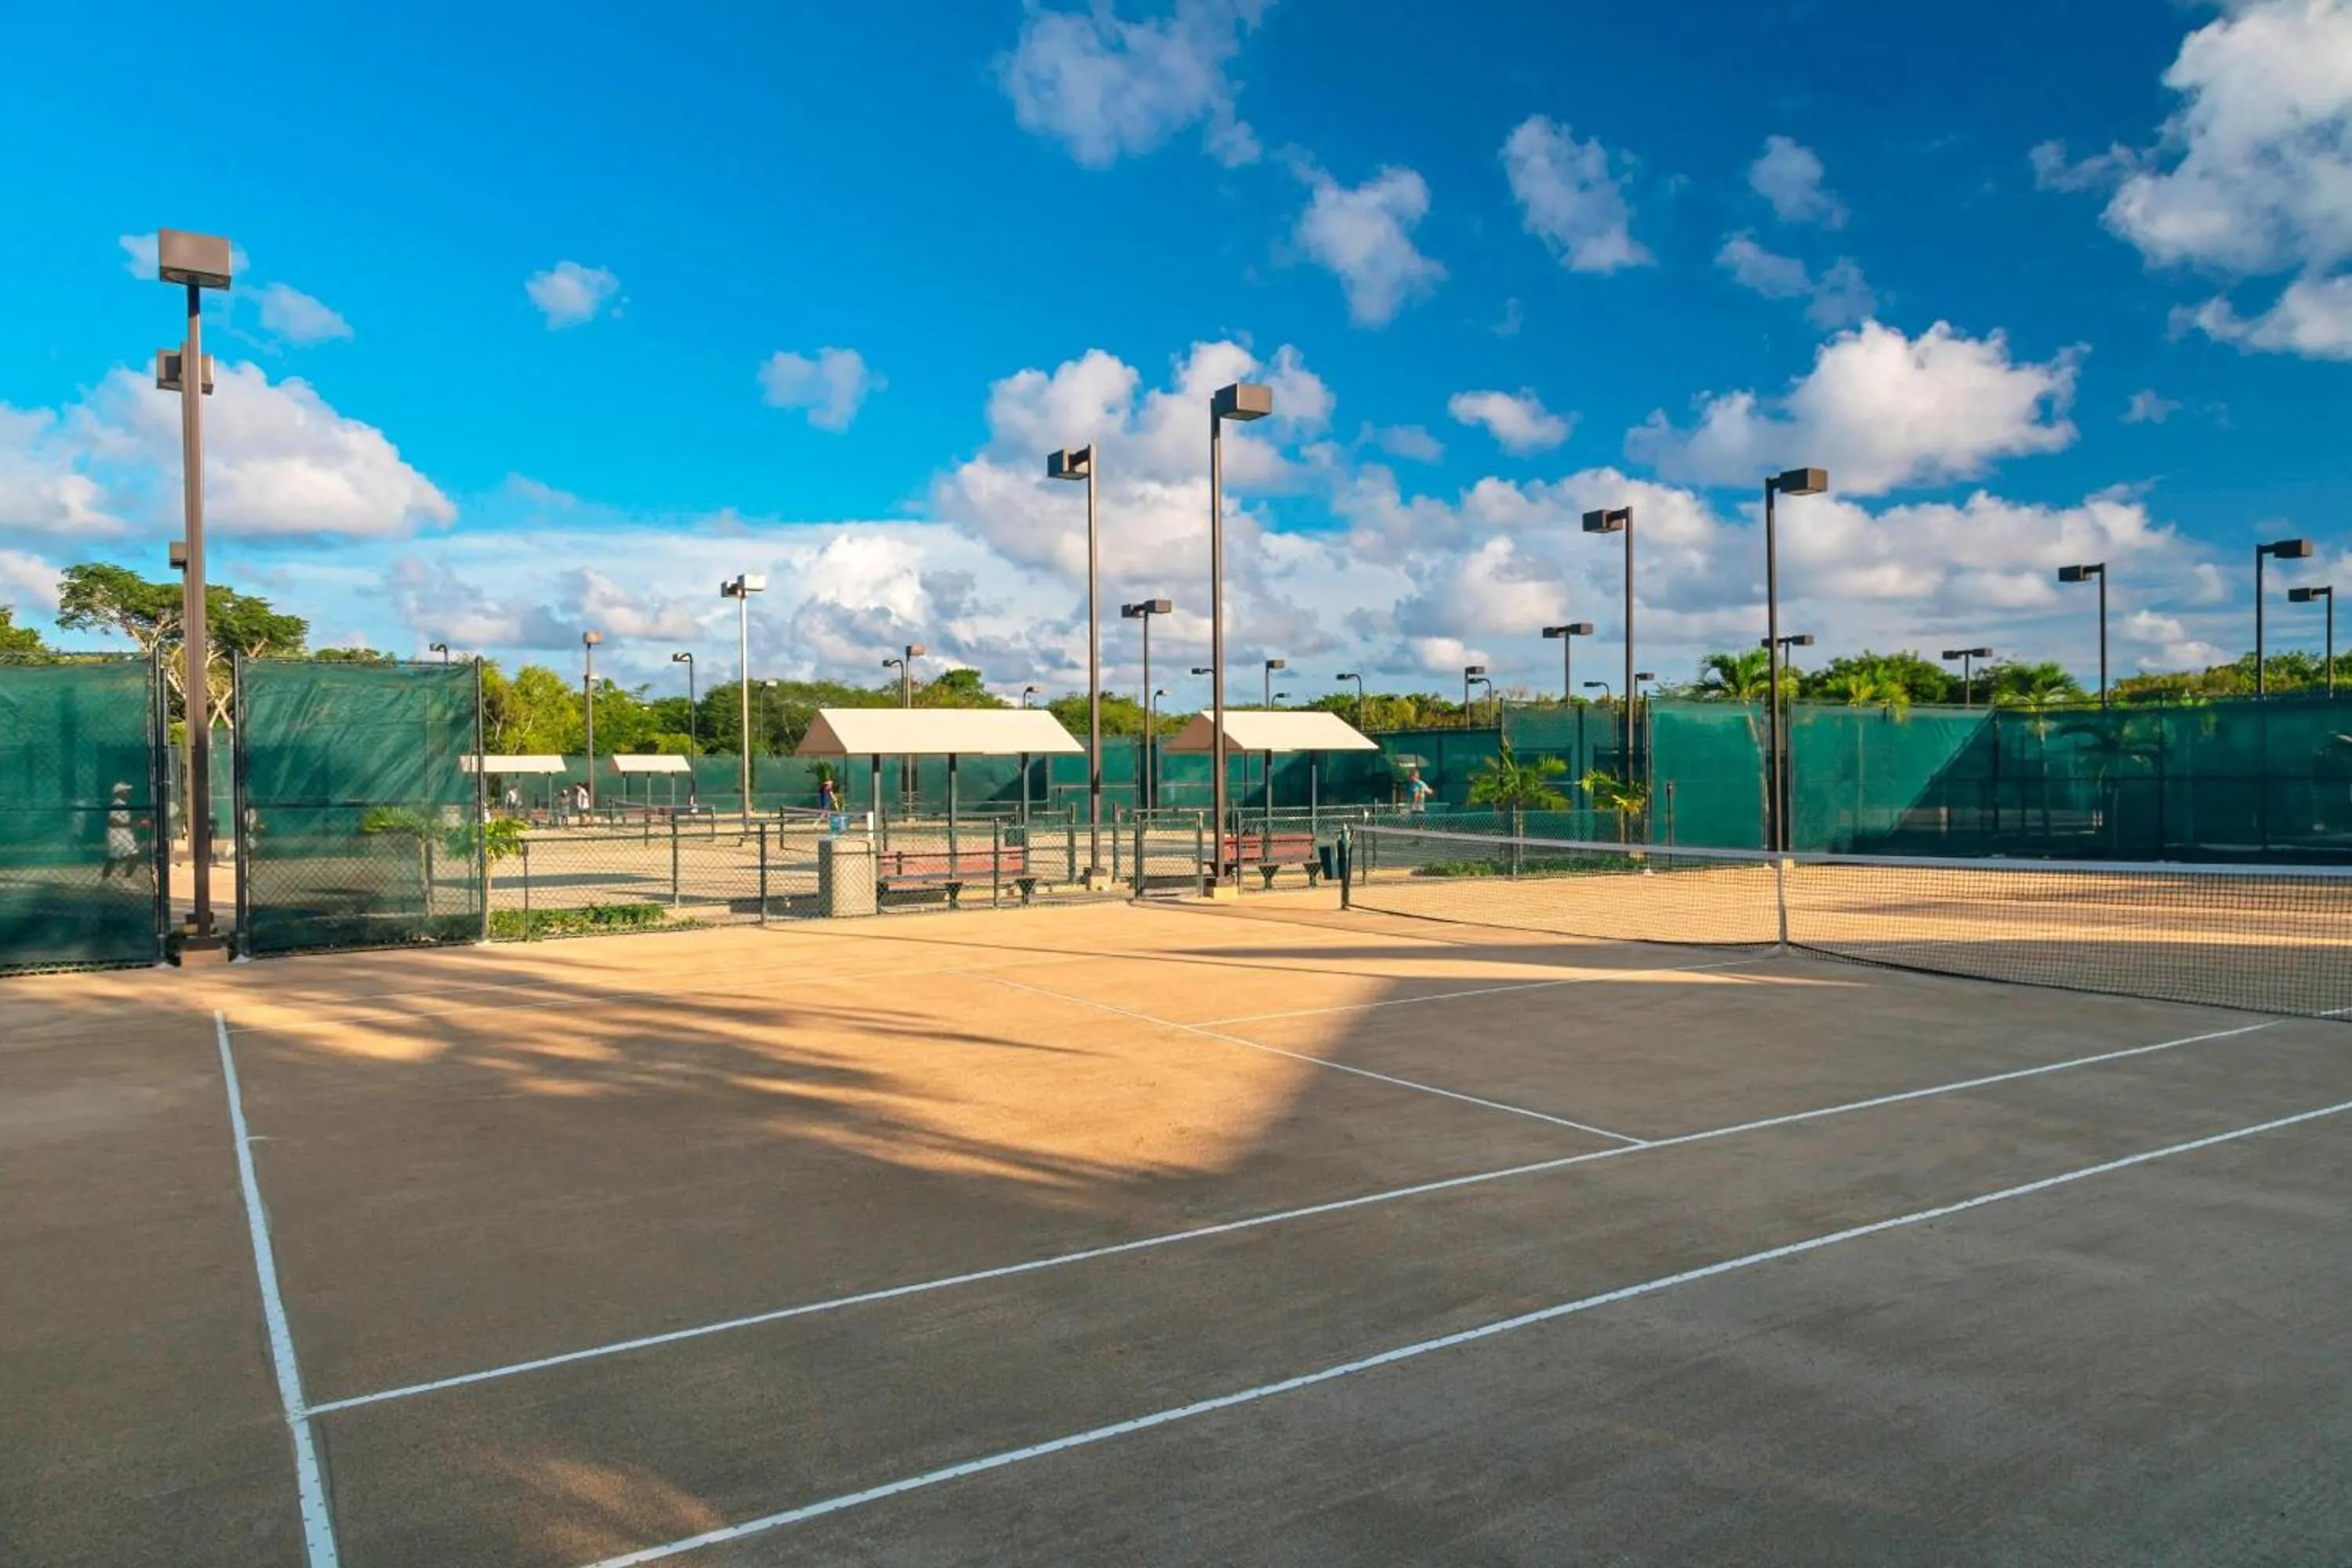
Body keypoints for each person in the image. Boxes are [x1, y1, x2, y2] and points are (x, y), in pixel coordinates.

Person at [101, 782, 141, 880]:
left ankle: (105, 880)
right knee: (131, 856)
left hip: (122, 833)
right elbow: (113, 822)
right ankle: (126, 880)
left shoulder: (122, 804)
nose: (128, 793)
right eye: (125, 791)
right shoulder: (117, 804)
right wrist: (131, 825)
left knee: (114, 858)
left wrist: (135, 824)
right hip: (117, 834)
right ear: (119, 793)